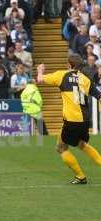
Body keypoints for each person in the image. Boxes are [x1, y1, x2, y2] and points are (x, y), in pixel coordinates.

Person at [37, 54, 101, 184]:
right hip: (84, 120)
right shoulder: (85, 79)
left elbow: (40, 80)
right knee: (82, 145)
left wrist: (40, 70)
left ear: (69, 65)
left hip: (71, 120)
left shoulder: (62, 75)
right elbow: (99, 95)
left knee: (61, 148)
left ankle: (80, 176)